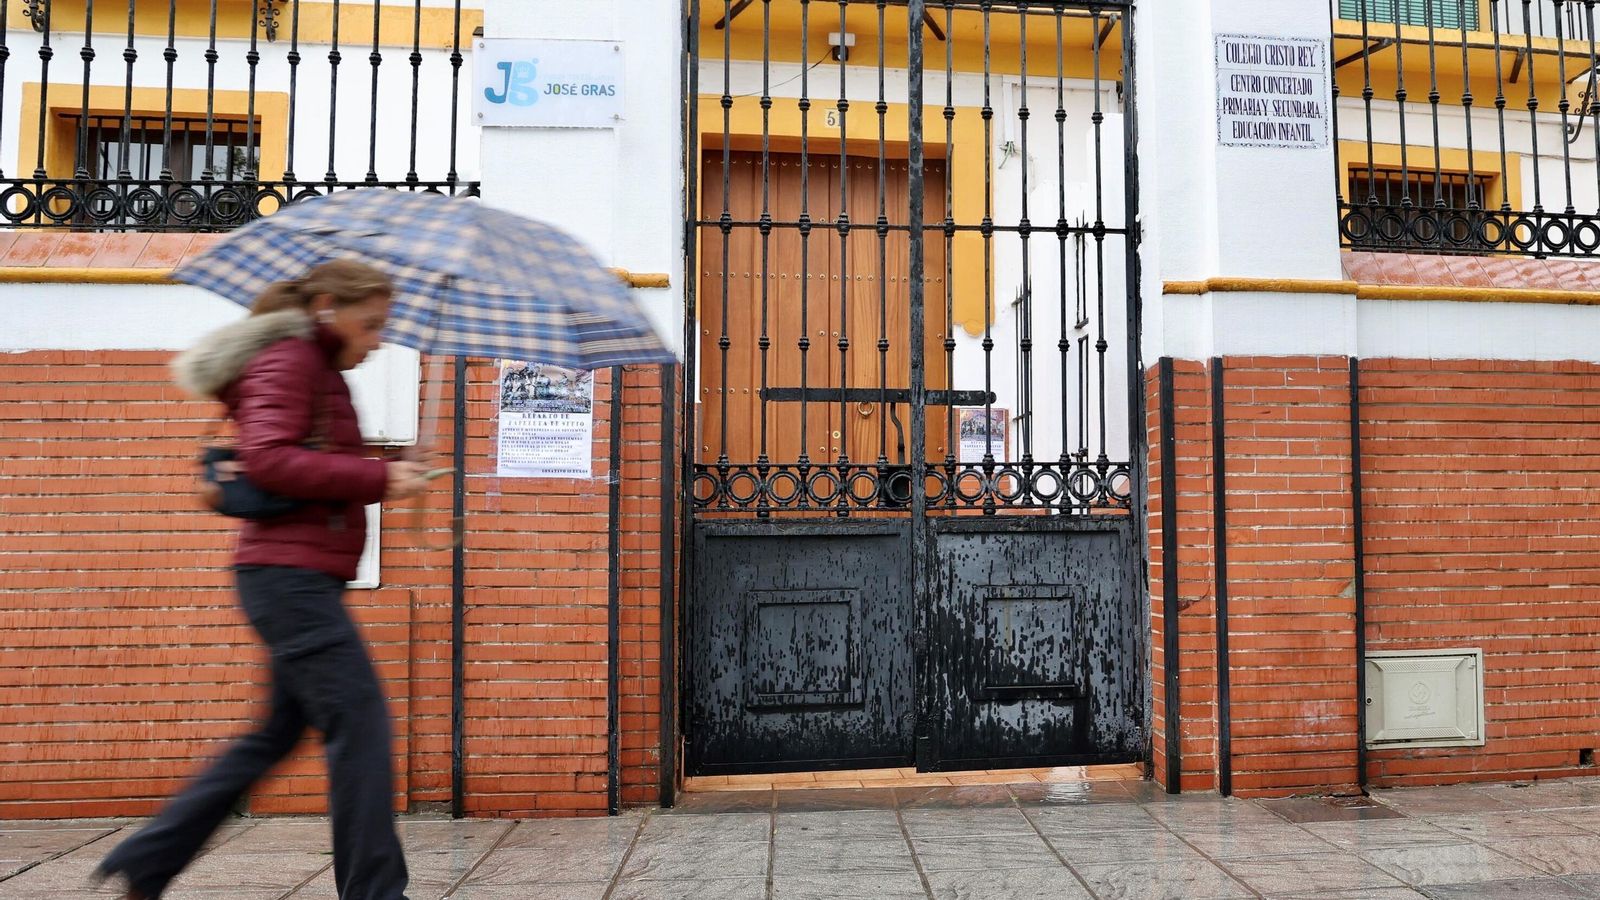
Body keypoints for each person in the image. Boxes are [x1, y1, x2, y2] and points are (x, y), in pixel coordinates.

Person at [96, 259, 430, 900]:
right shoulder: (292, 358)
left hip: (296, 577)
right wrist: (377, 479)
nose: (379, 338)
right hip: (287, 578)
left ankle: (150, 858)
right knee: (359, 723)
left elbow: (312, 460)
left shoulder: (315, 364)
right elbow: (270, 458)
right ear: (328, 305)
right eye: (371, 324)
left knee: (275, 734)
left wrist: (391, 465)